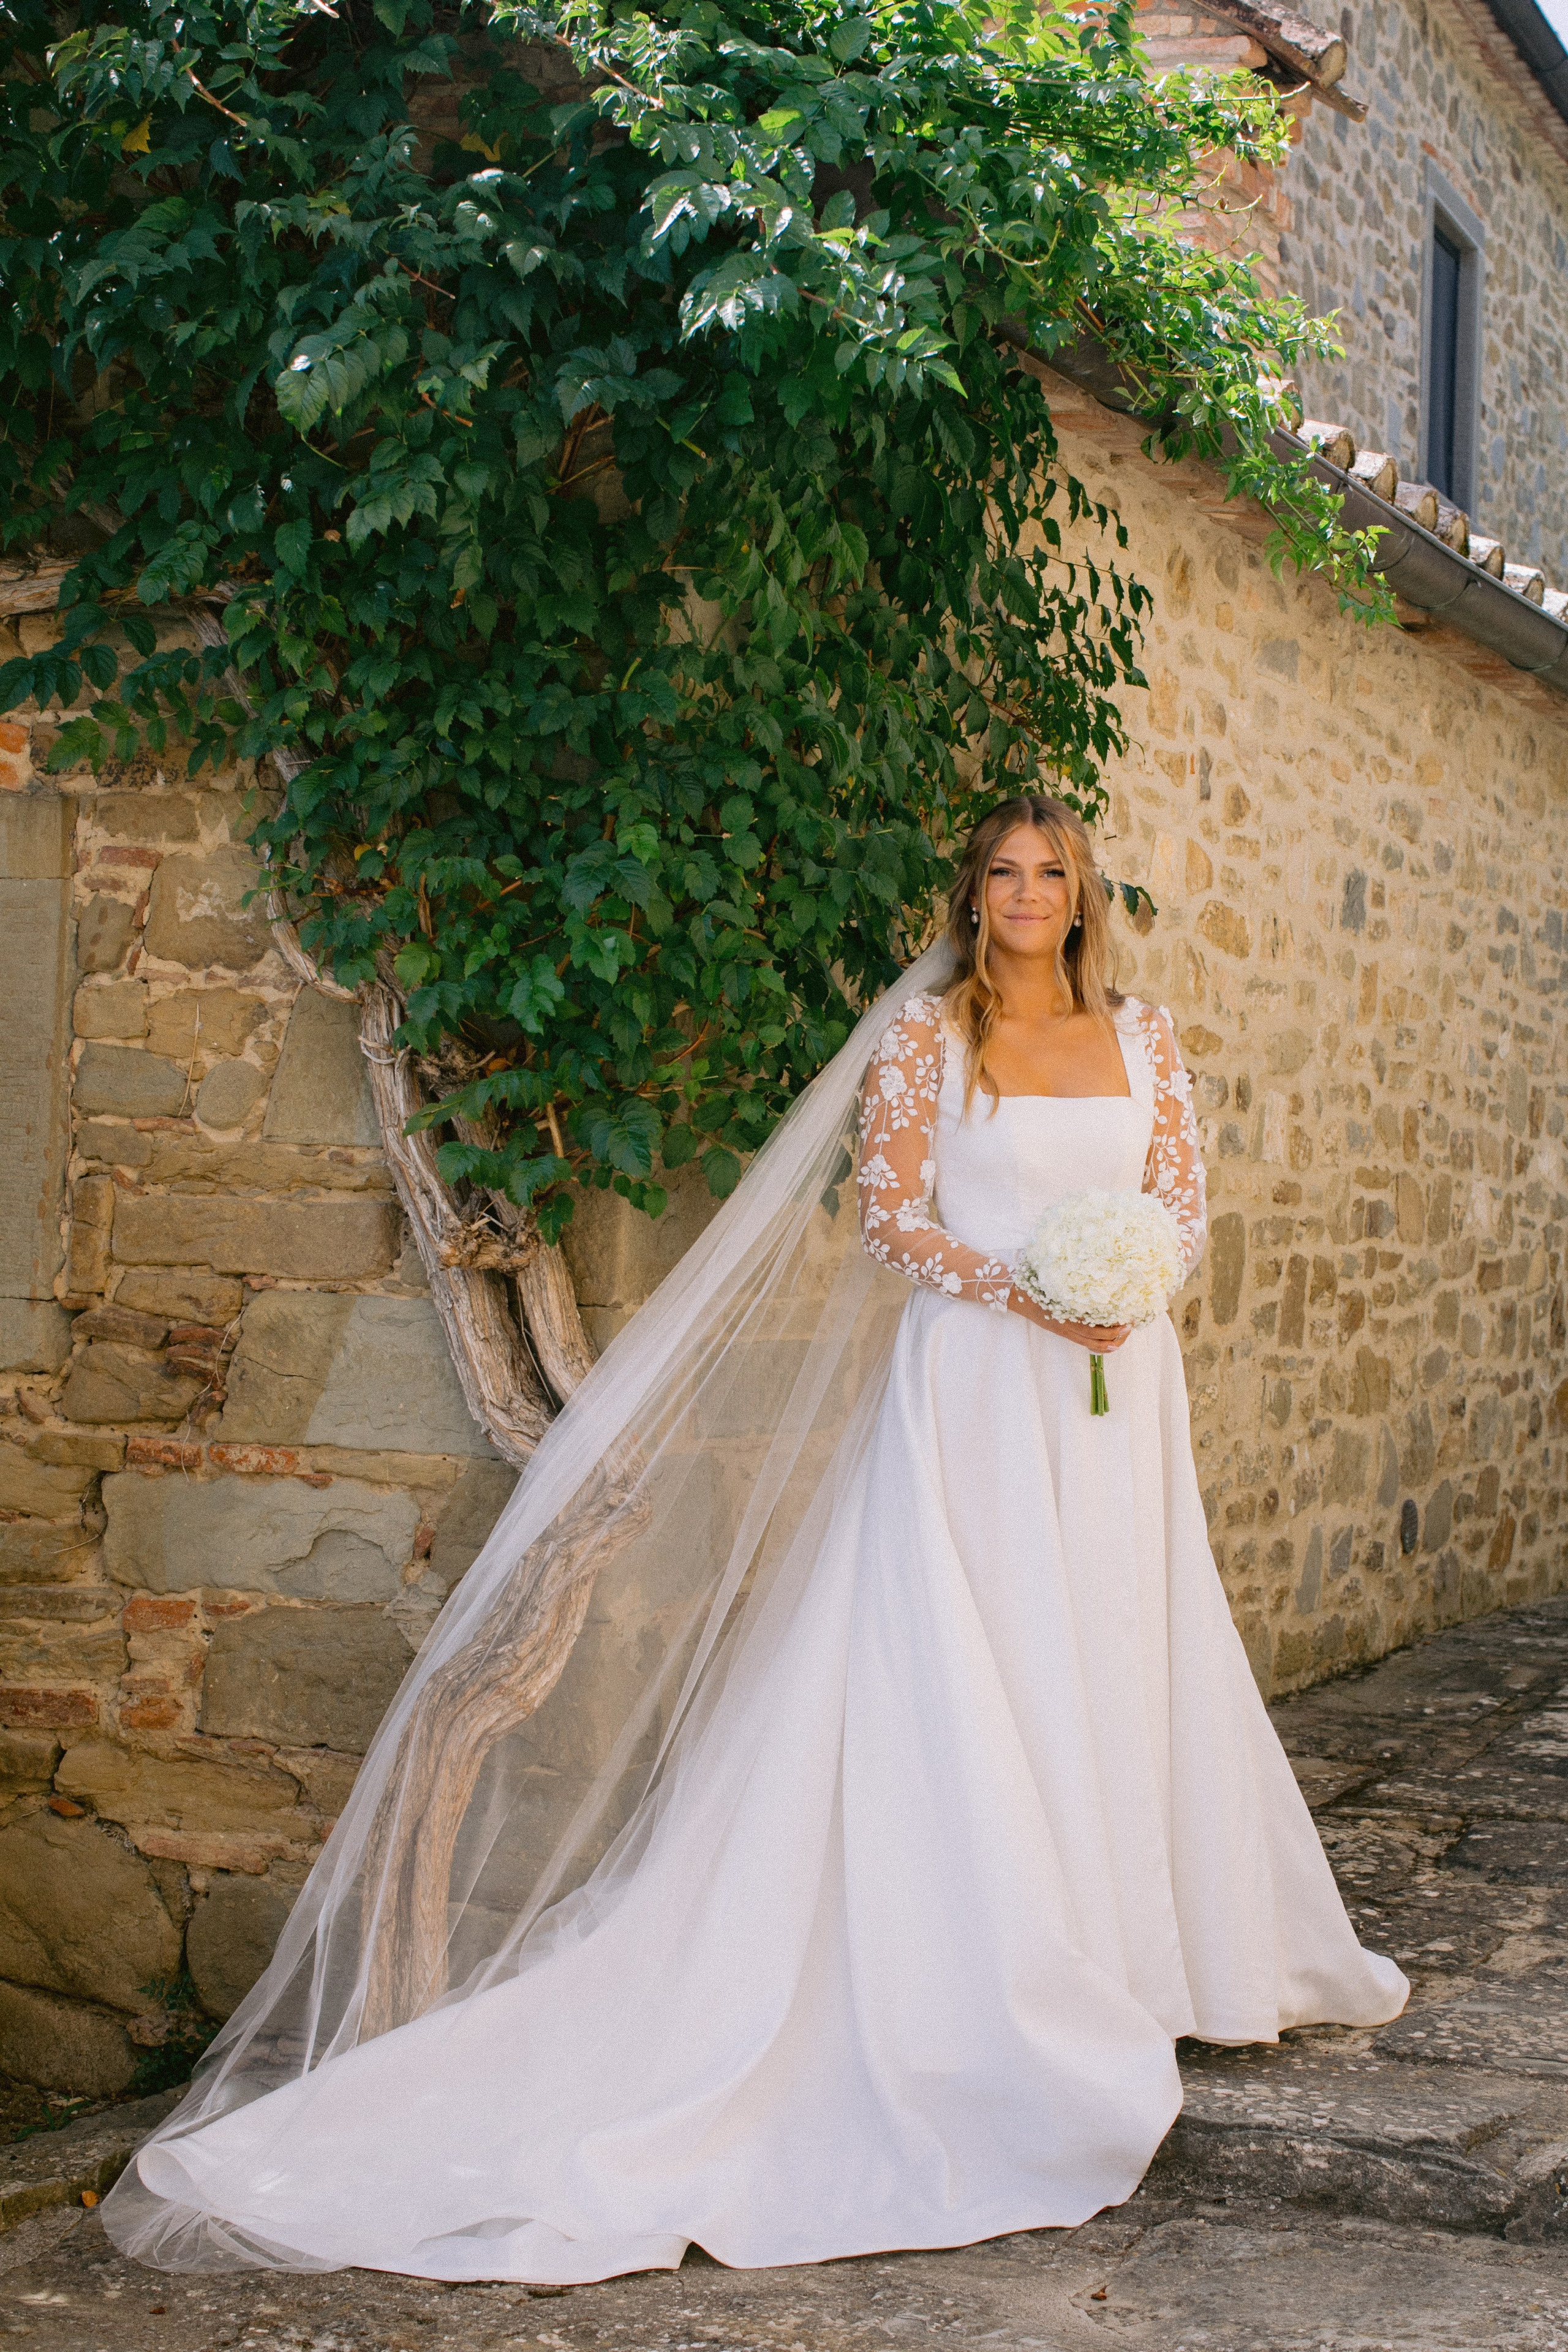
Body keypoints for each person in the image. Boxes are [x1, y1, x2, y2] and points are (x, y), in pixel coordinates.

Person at [107, 793, 1406, 2285]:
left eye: (1053, 872)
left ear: (1083, 893)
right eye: (1004, 872)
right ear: (971, 895)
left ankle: (1143, 1949)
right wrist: (1027, 1286)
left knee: (1119, 1631)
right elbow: (889, 1222)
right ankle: (995, 1969)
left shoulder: (1148, 1035)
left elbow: (1177, 1205)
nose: (1029, 892)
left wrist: (1130, 1277)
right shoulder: (933, 1041)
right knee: (980, 1646)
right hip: (979, 1379)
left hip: (1116, 1387)